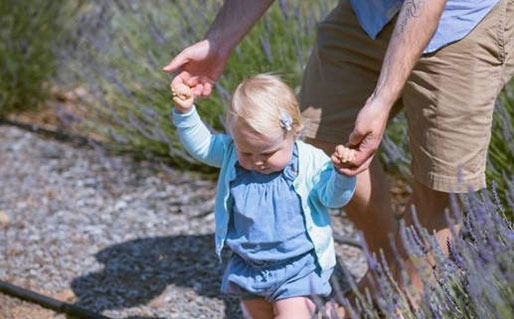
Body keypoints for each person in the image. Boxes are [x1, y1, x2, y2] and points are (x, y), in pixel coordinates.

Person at [164, 0, 513, 305]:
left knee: (441, 185)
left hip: (463, 21)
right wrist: (219, 42)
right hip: (370, 13)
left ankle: (397, 300)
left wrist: (381, 98)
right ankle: (388, 270)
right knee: (320, 143)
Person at [170, 74, 356, 319]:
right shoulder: (231, 155)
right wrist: (185, 113)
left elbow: (334, 198)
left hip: (298, 267)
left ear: (294, 131)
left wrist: (343, 176)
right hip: (249, 265)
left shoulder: (311, 163)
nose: (257, 161)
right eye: (246, 152)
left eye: (268, 152)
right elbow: (202, 146)